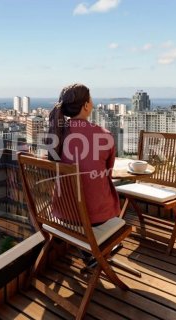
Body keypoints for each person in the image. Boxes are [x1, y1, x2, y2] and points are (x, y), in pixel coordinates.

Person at [48, 83, 120, 225]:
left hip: (62, 213)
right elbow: (107, 174)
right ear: (86, 105)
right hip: (96, 217)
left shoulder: (56, 134)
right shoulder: (104, 136)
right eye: (91, 99)